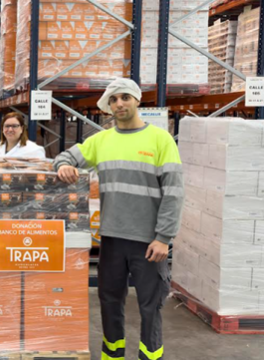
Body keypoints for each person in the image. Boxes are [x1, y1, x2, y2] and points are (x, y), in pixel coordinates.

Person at [53, 78, 183, 360]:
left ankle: (150, 355)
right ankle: (113, 355)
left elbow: (174, 192)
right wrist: (64, 165)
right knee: (110, 301)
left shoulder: (160, 139)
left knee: (150, 305)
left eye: (124, 97)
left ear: (137, 100)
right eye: (113, 100)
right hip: (111, 239)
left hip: (148, 241)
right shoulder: (101, 140)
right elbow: (64, 157)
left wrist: (164, 238)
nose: (119, 104)